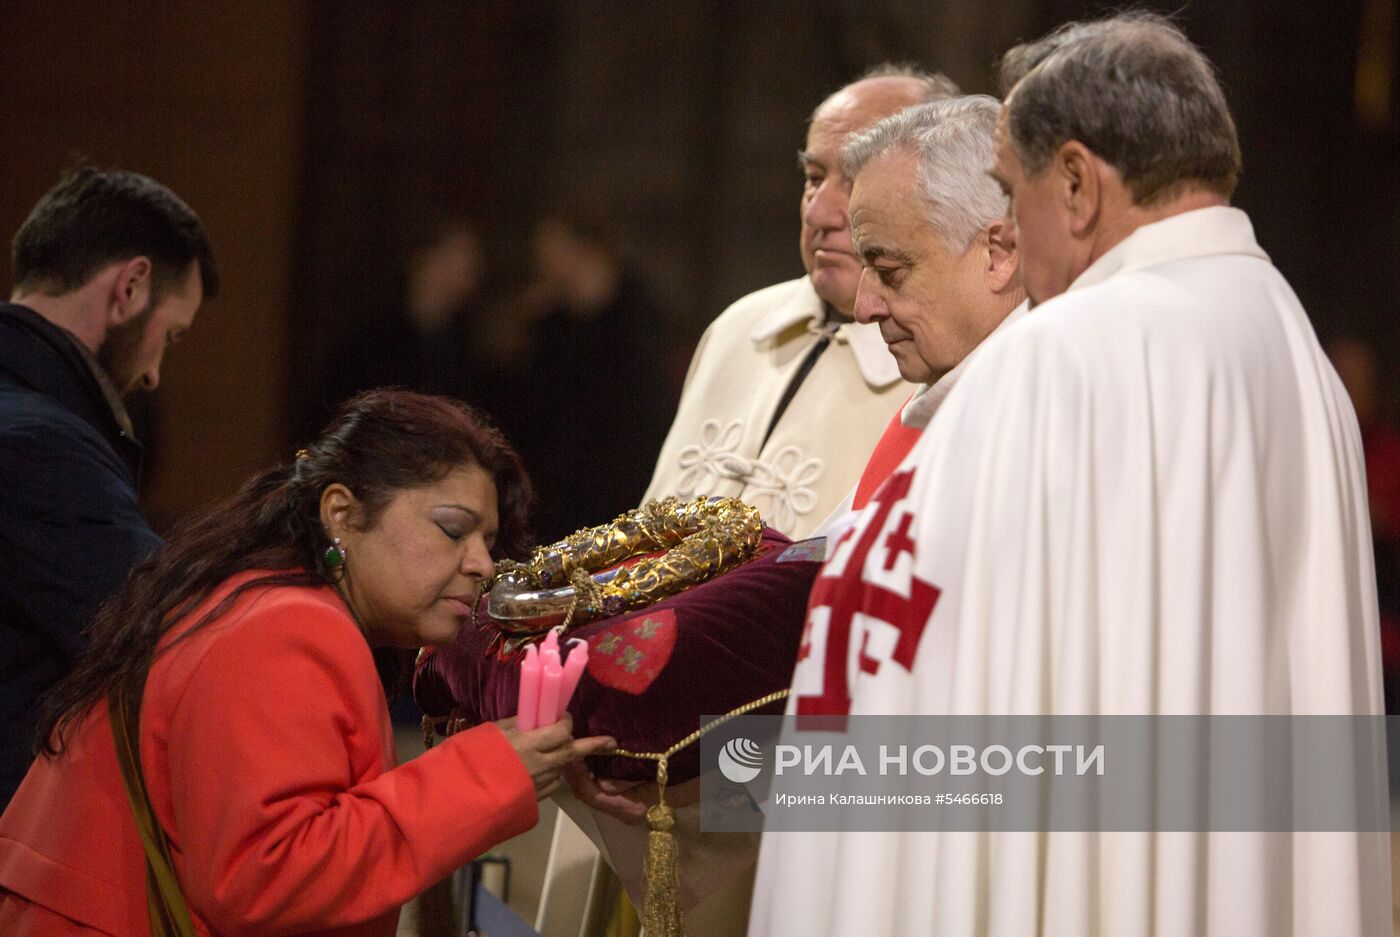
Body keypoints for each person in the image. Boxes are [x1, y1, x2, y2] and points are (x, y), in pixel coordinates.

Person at [751, 13, 1388, 937]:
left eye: (1011, 192)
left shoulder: (1062, 354)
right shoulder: (1292, 348)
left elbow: (919, 698)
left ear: (1079, 183)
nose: (1006, 231)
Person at [0, 390, 615, 935]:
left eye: (488, 541)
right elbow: (267, 877)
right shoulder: (286, 627)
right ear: (343, 514)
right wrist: (490, 775)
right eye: (454, 530)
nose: (481, 563)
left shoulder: (268, 601)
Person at [643, 65, 958, 539]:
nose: (817, 212)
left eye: (854, 180)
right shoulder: (737, 329)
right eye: (814, 176)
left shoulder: (943, 367)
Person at [0, 166, 218, 811]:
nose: (152, 376)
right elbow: (172, 636)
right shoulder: (44, 450)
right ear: (130, 287)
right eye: (169, 338)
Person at [825, 94, 1027, 523]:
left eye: (889, 270)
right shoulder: (941, 396)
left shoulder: (1038, 416)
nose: (864, 309)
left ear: (999, 254)